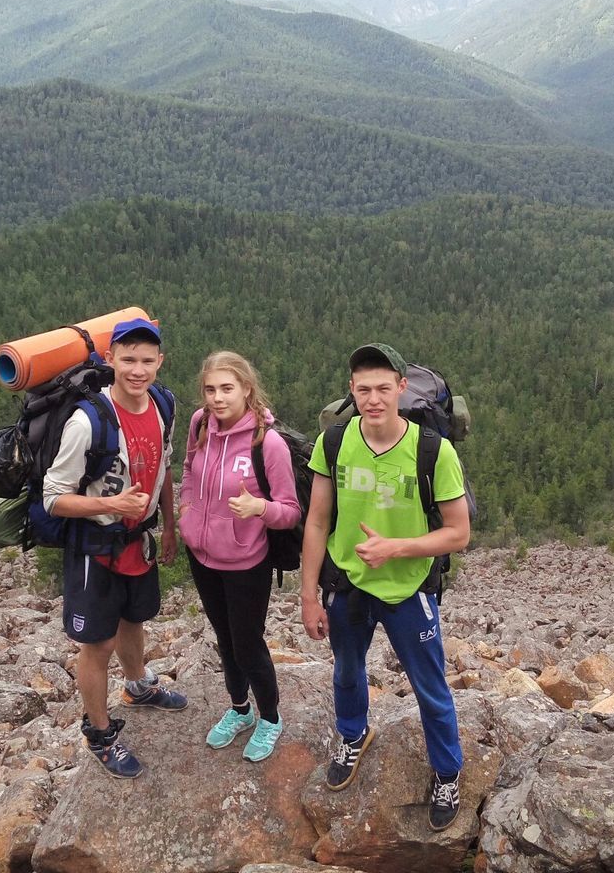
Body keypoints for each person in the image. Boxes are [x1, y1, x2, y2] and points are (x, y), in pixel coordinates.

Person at [300, 343, 471, 831]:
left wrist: (395, 548)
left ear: (401, 387)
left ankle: (447, 772)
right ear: (351, 391)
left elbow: (458, 532)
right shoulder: (333, 443)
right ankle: (353, 734)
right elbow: (317, 522)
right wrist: (309, 595)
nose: (373, 399)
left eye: (382, 388)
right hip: (348, 584)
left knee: (430, 688)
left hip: (408, 587)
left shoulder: (433, 451)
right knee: (348, 672)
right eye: (363, 389)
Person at [43, 317, 186, 779]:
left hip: (138, 539)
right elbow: (53, 498)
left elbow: (161, 467)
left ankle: (138, 686)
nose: (138, 370)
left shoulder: (163, 406)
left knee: (134, 617)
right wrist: (113, 503)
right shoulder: (89, 421)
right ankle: (99, 733)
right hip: (94, 545)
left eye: (147, 360)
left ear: (160, 362)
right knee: (97, 642)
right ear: (110, 360)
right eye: (128, 360)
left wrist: (168, 524)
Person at [179, 352, 302, 762]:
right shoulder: (199, 425)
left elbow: (290, 511)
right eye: (210, 389)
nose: (217, 398)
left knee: (247, 644)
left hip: (247, 561)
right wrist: (185, 513)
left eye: (227, 389)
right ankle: (239, 710)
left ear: (247, 390)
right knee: (224, 639)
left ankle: (270, 717)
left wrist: (259, 509)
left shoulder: (268, 442)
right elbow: (188, 473)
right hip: (203, 556)